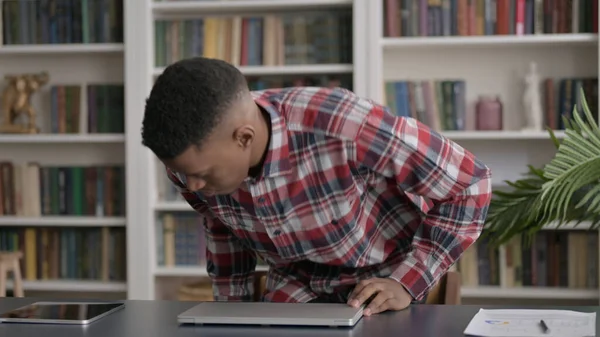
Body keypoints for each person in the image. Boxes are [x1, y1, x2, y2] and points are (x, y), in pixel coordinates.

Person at [141, 57, 492, 316]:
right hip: (297, 285)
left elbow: (470, 184)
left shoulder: (345, 125)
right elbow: (222, 230)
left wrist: (407, 281)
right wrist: (231, 318)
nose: (192, 186)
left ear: (243, 138)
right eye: (180, 174)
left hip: (386, 283)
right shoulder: (190, 167)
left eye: (201, 174)